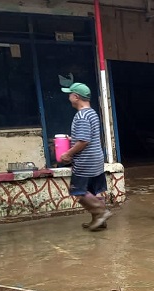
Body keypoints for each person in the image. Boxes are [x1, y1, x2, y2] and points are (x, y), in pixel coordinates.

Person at [59, 82, 112, 231]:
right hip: (96, 159)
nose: (68, 97)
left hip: (85, 161)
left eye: (70, 94)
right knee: (92, 191)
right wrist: (73, 139)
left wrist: (68, 153)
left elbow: (83, 141)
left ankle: (101, 212)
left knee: (79, 191)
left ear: (76, 97)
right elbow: (88, 137)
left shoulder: (81, 116)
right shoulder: (92, 113)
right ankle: (99, 220)